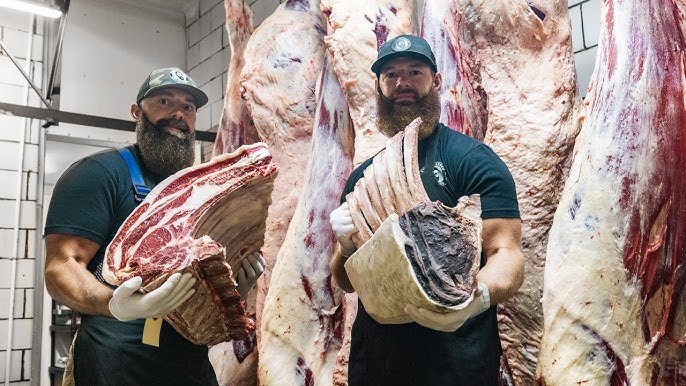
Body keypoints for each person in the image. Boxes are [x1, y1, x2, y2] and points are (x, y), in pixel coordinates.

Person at [44, 67, 266, 386]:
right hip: (116, 360)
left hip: (188, 360)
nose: (178, 113)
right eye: (164, 101)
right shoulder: (99, 174)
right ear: (137, 112)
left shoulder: (196, 189)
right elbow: (60, 267)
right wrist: (113, 303)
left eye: (188, 107)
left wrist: (232, 286)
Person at [329, 35, 525, 385]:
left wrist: (476, 297)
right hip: (377, 365)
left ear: (436, 81)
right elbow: (345, 281)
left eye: (414, 72)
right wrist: (345, 249)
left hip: (457, 366)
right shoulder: (363, 179)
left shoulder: (471, 160)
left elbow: (506, 253)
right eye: (390, 75)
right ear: (379, 87)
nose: (402, 83)